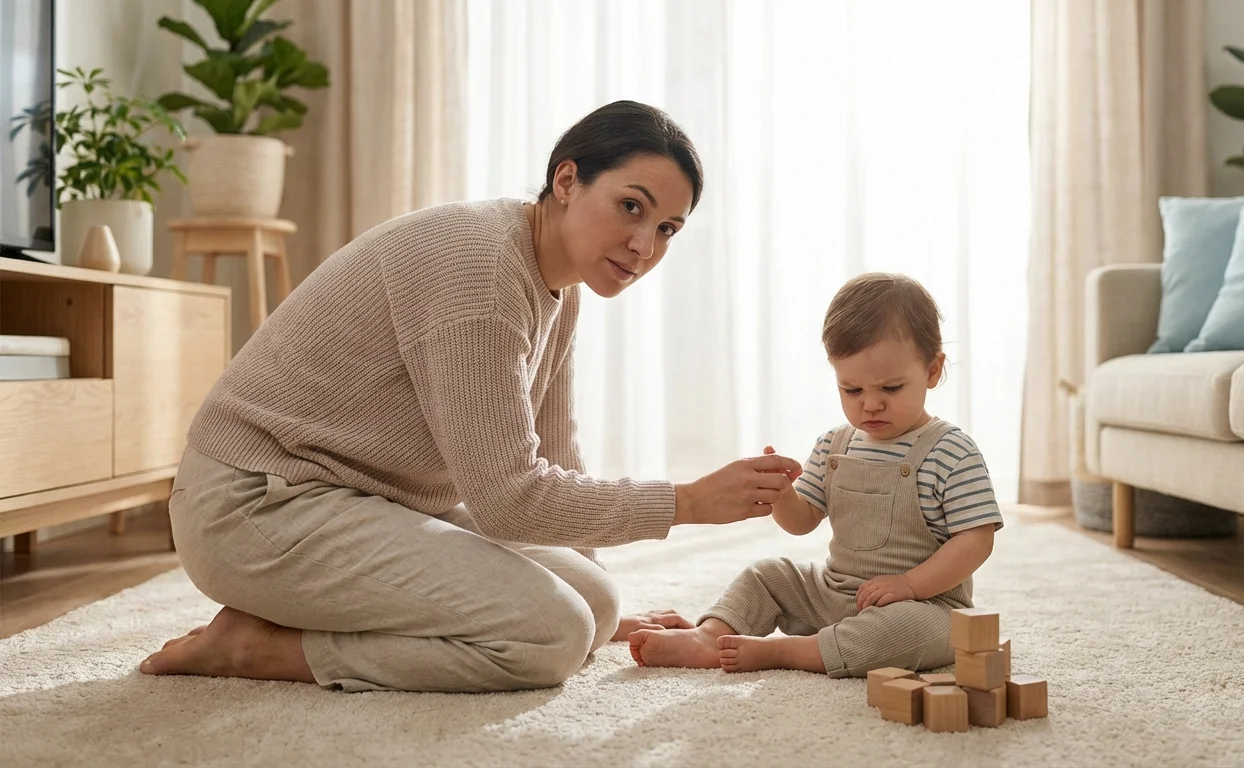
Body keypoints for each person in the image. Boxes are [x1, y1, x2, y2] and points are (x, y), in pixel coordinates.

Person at [139, 100, 803, 694]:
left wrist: (592, 594)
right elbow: (509, 498)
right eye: (632, 207)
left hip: (354, 498)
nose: (643, 245)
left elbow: (557, 459)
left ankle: (297, 611)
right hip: (252, 507)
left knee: (593, 607)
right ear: (567, 181)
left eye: (667, 229)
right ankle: (260, 648)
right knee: (551, 637)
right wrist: (686, 503)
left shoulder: (557, 284)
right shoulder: (482, 275)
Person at [628, 272, 1003, 677]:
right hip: (837, 590)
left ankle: (789, 653)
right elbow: (801, 522)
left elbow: (976, 540)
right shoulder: (834, 444)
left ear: (932, 371)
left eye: (890, 389)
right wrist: (782, 495)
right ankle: (711, 636)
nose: (870, 405)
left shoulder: (951, 450)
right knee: (768, 574)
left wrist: (910, 585)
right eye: (852, 390)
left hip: (924, 605)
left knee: (910, 633)